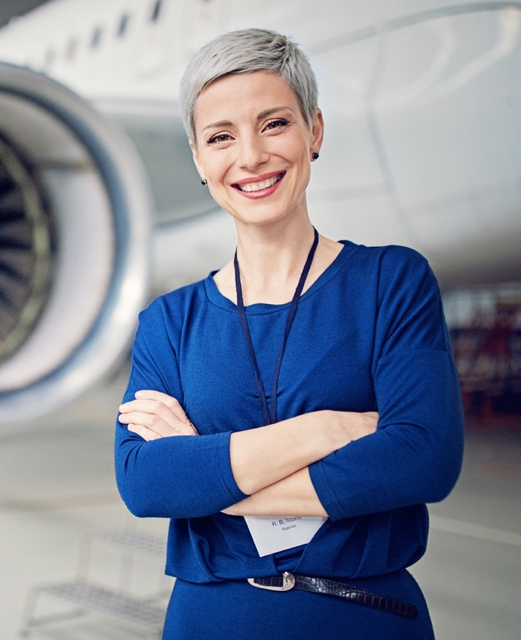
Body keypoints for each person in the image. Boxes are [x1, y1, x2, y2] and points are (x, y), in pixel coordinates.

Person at [115, 28, 463, 640]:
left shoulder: (389, 281)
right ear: (199, 158)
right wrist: (325, 429)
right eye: (221, 137)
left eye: (273, 124)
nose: (249, 156)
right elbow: (146, 483)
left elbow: (423, 459)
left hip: (363, 616)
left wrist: (206, 476)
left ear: (315, 131)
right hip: (211, 621)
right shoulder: (169, 321)